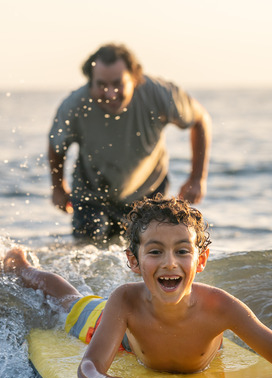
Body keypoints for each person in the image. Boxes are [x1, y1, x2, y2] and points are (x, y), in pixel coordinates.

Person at [0, 196, 272, 378]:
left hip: (142, 339)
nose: (169, 263)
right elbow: (89, 365)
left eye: (182, 251)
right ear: (134, 261)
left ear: (201, 259)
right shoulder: (125, 300)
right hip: (118, 335)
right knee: (68, 299)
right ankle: (20, 265)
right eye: (155, 252)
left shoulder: (220, 307)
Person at [48, 43, 212, 242]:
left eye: (118, 84)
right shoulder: (74, 105)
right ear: (90, 82)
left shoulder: (159, 94)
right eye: (101, 85)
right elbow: (56, 145)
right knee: (88, 256)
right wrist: (58, 188)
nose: (110, 94)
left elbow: (200, 119)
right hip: (91, 196)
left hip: (149, 192)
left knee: (148, 255)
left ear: (135, 78)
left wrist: (197, 179)